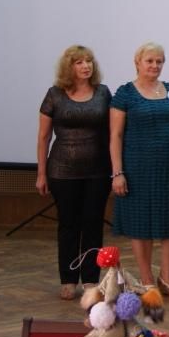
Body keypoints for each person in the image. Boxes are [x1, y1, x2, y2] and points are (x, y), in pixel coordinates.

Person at [110, 42, 169, 297]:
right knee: (141, 224)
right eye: (149, 61)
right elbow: (115, 136)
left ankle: (167, 278)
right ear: (137, 62)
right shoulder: (125, 93)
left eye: (159, 61)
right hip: (137, 170)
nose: (155, 65)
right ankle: (147, 279)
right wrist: (118, 173)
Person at [36, 44, 112, 300]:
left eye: (88, 61)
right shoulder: (54, 94)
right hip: (62, 171)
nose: (86, 66)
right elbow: (44, 137)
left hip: (98, 171)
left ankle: (91, 278)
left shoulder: (103, 93)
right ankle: (68, 279)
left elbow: (113, 132)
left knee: (93, 224)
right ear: (68, 67)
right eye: (79, 62)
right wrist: (41, 173)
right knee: (68, 225)